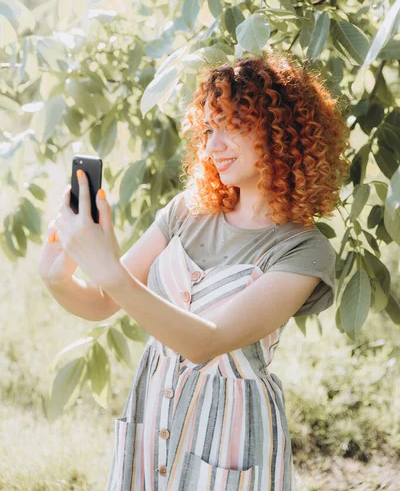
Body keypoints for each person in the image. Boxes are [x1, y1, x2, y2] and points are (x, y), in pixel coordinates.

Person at [40, 52, 350, 490]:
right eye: (208, 129)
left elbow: (205, 342)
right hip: (154, 412)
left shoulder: (303, 251)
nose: (212, 147)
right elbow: (101, 303)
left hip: (229, 432)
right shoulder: (189, 210)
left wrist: (108, 268)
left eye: (231, 126)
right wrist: (57, 277)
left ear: (281, 130)